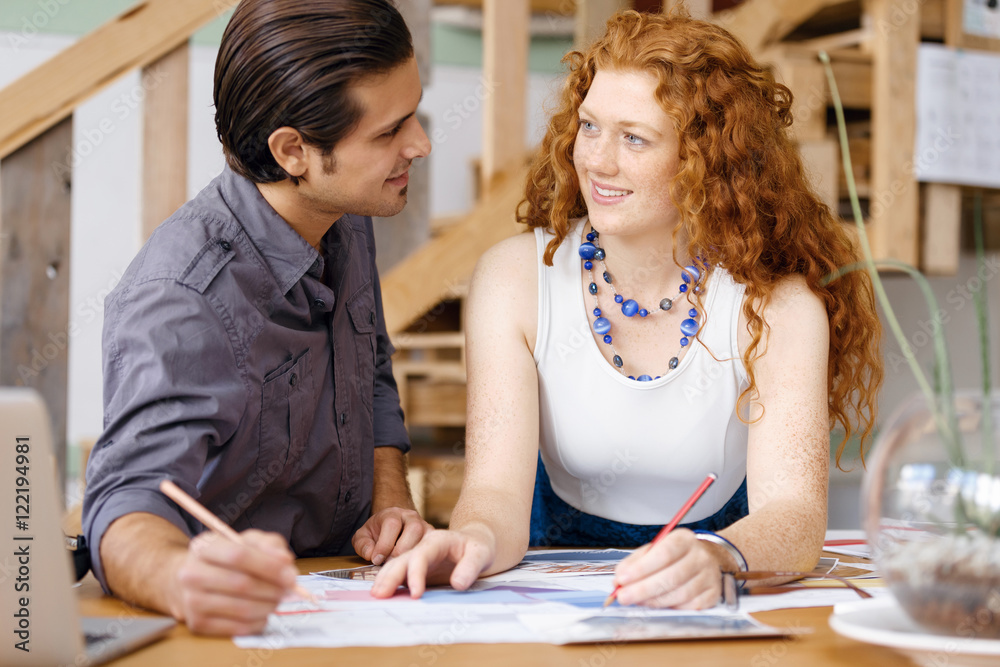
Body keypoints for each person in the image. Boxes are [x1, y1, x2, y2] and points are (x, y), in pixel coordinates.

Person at [371, 10, 882, 609]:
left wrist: (721, 557)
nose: (597, 161)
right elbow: (494, 494)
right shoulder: (513, 278)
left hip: (722, 579)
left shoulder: (780, 305)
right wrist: (470, 540)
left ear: (706, 160)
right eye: (589, 127)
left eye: (634, 138)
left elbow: (793, 516)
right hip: (547, 581)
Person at [82, 0, 433, 636]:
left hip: (351, 607)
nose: (421, 144)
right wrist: (179, 578)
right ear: (294, 150)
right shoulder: (181, 297)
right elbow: (125, 502)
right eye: (390, 132)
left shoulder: (345, 212)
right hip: (234, 631)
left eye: (415, 113)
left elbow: (371, 373)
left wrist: (391, 499)